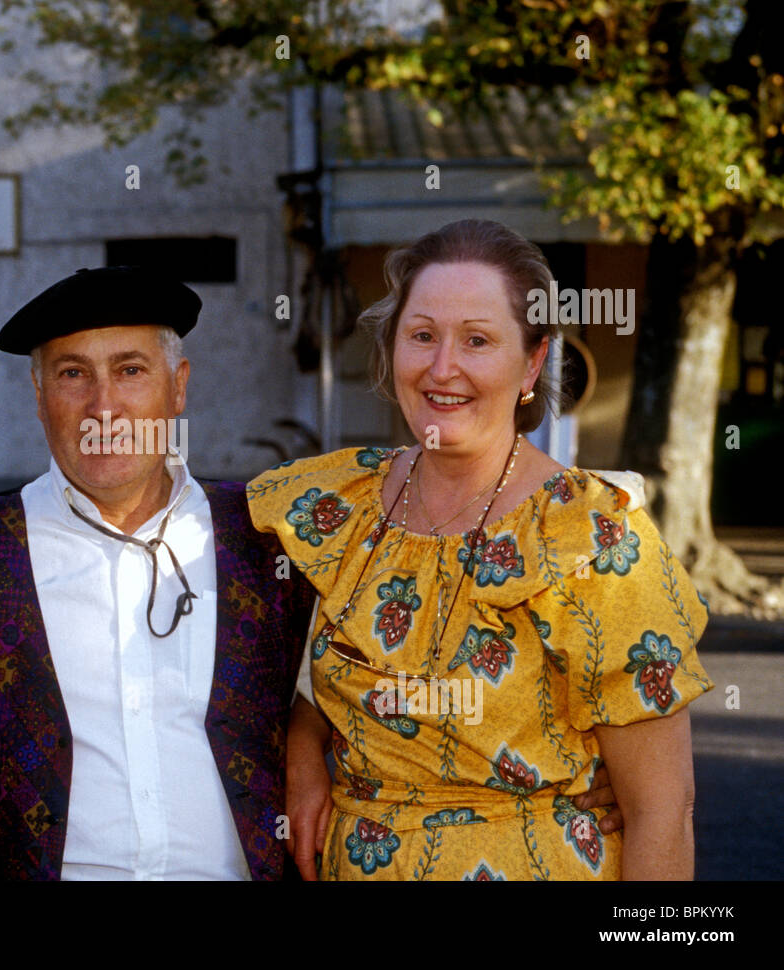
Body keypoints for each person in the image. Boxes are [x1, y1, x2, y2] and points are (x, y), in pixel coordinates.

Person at [250, 219, 711, 880]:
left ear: (531, 362)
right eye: (422, 335)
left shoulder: (595, 538)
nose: (444, 368)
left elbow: (664, 811)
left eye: (478, 340)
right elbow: (288, 654)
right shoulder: (334, 510)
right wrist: (302, 744)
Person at [0, 267, 316, 879]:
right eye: (73, 375)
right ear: (38, 397)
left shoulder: (269, 543)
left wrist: (308, 735)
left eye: (130, 370)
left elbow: (335, 696)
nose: (104, 406)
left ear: (178, 388)